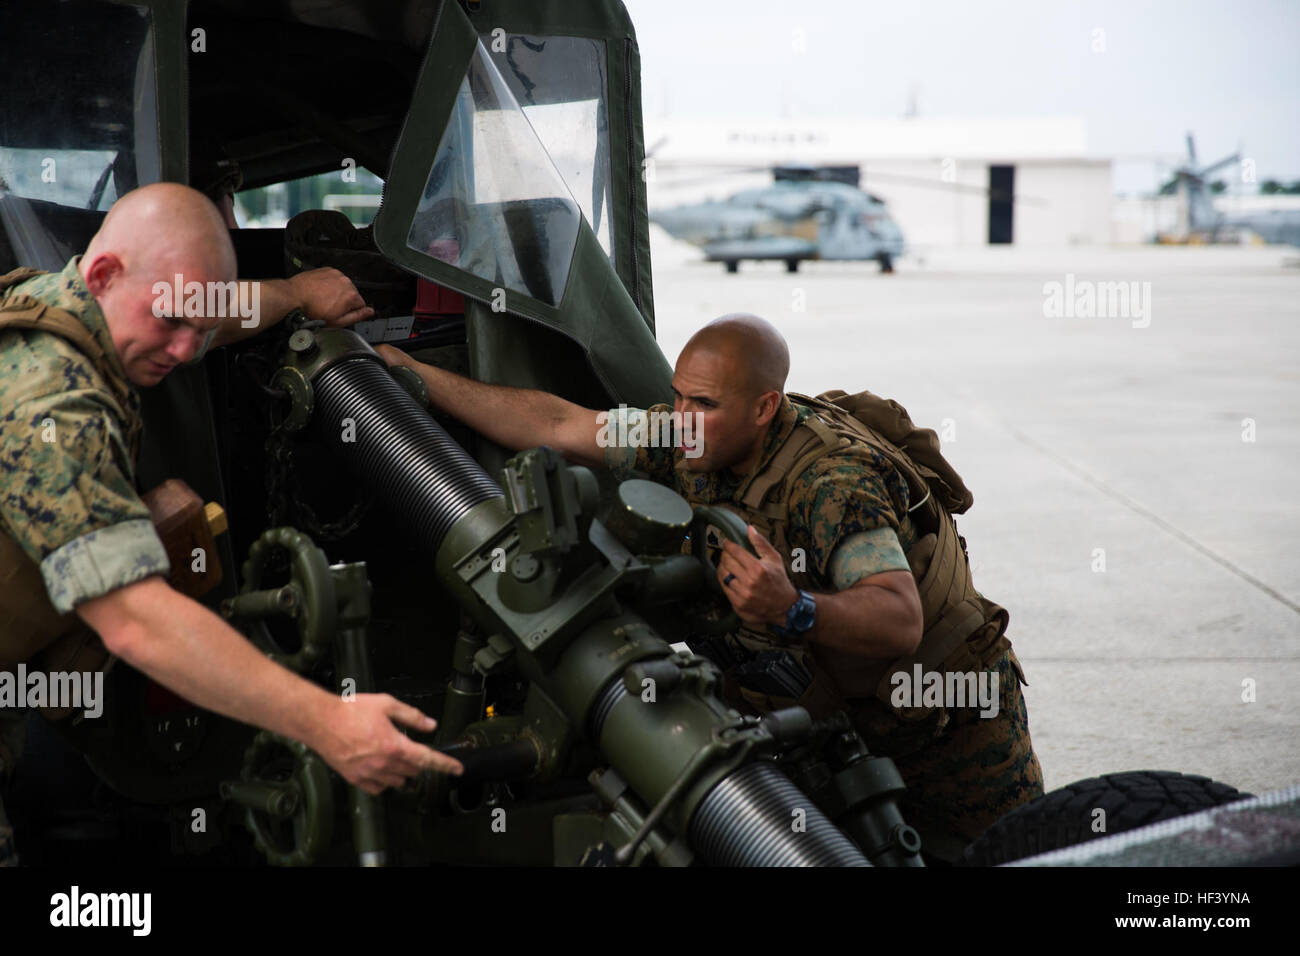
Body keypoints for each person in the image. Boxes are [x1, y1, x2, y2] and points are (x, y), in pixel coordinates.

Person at [376, 313, 1043, 862]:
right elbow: (558, 425)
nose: (682, 417)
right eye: (679, 396)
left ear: (764, 407)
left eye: (704, 404)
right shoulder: (688, 433)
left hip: (947, 727)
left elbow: (898, 619)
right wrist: (420, 380)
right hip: (836, 717)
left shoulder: (833, 484)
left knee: (1004, 857)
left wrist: (794, 608)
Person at [0, 183, 460, 864]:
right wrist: (329, 723)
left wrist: (297, 293)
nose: (188, 351)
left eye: (200, 324)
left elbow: (211, 314)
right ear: (103, 274)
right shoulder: (52, 404)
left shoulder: (71, 302)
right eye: (171, 322)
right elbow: (134, 619)